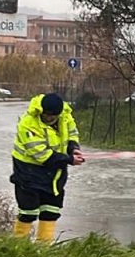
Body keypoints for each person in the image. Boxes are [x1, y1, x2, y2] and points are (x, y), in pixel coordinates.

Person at [10, 93, 84, 242]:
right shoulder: (28, 123)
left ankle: (44, 247)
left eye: (53, 116)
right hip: (28, 172)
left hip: (55, 172)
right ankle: (18, 246)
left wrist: (73, 148)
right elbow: (42, 155)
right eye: (46, 115)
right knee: (28, 212)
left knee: (51, 209)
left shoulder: (65, 115)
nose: (49, 119)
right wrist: (70, 160)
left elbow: (72, 132)